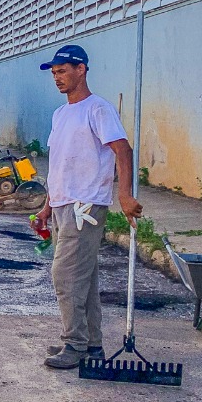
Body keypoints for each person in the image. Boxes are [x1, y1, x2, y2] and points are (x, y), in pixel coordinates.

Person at [29, 44, 142, 370]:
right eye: (54, 73)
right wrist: (47, 209)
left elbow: (123, 151)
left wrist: (124, 194)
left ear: (81, 69)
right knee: (85, 281)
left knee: (64, 277)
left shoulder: (98, 109)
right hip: (64, 206)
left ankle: (74, 345)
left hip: (86, 207)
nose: (57, 78)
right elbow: (60, 166)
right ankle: (91, 345)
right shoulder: (61, 114)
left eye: (62, 71)